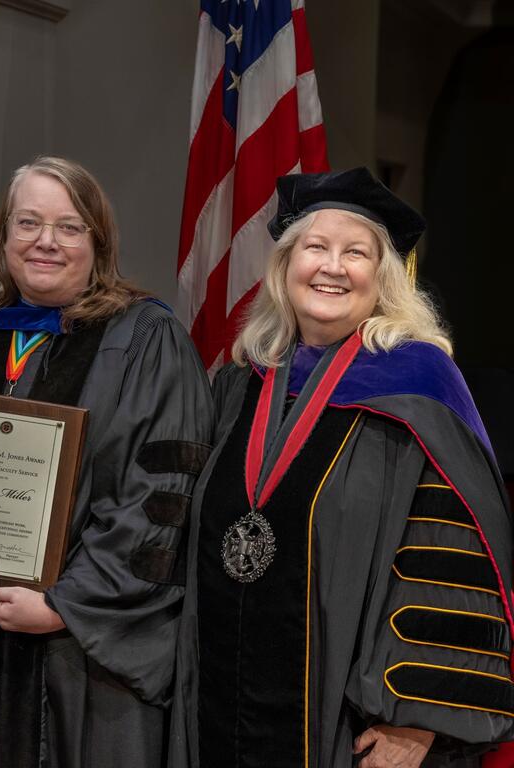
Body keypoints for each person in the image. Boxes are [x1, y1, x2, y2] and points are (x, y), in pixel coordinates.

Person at [0, 156, 213, 768]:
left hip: (78, 661)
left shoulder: (145, 340)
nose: (45, 242)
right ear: (4, 238)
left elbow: (162, 498)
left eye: (69, 227)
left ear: (97, 242)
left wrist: (64, 603)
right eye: (27, 223)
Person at [170, 167, 514, 768]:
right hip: (219, 702)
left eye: (355, 253)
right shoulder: (239, 385)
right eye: (315, 247)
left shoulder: (420, 389)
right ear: (285, 267)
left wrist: (415, 721)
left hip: (353, 727)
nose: (332, 267)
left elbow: (451, 562)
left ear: (381, 280)